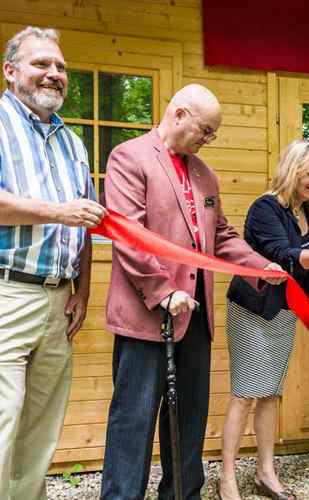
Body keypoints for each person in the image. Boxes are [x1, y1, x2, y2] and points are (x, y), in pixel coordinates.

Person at [100, 83, 283, 500]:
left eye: (213, 135)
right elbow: (129, 235)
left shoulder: (204, 173)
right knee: (134, 420)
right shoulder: (129, 157)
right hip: (148, 315)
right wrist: (163, 291)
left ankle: (183, 495)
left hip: (195, 317)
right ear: (179, 114)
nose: (208, 140)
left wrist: (260, 267)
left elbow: (221, 236)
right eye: (206, 130)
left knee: (189, 420)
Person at [219, 139, 309, 500]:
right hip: (252, 310)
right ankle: (226, 479)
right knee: (244, 395)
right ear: (292, 169)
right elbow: (288, 257)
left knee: (271, 394)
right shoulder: (265, 208)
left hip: (286, 311)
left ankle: (266, 473)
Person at [0, 26, 106, 500]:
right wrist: (57, 211)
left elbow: (87, 220)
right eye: (41, 63)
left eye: (60, 66)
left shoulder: (73, 142)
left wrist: (82, 290)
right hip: (8, 292)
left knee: (41, 427)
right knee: (3, 418)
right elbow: (66, 212)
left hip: (59, 296)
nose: (54, 73)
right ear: (10, 71)